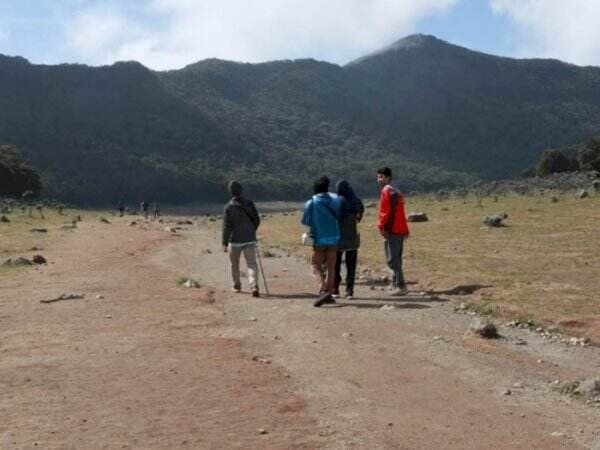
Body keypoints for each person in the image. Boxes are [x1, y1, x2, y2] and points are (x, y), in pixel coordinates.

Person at [301, 176, 342, 307]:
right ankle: (329, 292)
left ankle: (323, 289)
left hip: (319, 238)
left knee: (315, 264)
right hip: (334, 237)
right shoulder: (336, 201)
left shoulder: (311, 203)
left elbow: (306, 222)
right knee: (331, 266)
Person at [222, 181, 261, 297]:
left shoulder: (228, 207)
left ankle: (237, 285)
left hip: (234, 240)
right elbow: (257, 220)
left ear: (231, 192)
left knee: (234, 264)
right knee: (252, 264)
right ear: (242, 190)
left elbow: (226, 227)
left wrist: (224, 242)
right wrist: (252, 230)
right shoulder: (249, 203)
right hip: (249, 238)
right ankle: (254, 286)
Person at [377, 167, 410, 296]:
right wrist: (405, 229)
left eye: (381, 177)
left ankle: (401, 286)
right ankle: (395, 283)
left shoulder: (386, 191)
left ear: (388, 178)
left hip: (392, 230)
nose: (379, 179)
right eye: (378, 176)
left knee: (392, 259)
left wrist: (382, 227)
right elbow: (401, 213)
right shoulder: (396, 191)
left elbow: (385, 212)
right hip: (400, 229)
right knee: (397, 258)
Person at [334, 180, 364, 299]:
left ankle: (335, 289)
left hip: (338, 238)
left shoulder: (336, 202)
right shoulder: (357, 201)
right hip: (352, 237)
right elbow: (359, 216)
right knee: (351, 265)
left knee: (336, 264)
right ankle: (349, 291)